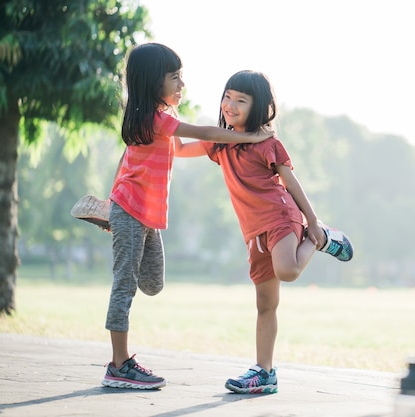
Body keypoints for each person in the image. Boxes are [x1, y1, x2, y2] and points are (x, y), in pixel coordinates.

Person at [101, 44, 272, 390]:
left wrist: (110, 202)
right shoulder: (158, 118)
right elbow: (206, 133)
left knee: (153, 283)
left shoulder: (150, 121)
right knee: (125, 286)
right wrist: (249, 135)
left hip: (142, 215)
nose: (182, 85)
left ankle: (121, 362)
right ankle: (119, 364)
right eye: (175, 78)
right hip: (131, 213)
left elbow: (167, 151)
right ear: (153, 82)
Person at [195, 70, 354, 394]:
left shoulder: (268, 143)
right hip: (254, 234)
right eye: (227, 96)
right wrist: (158, 134)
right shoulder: (220, 145)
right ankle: (264, 372)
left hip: (281, 215)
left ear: (260, 107)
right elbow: (182, 149)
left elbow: (290, 182)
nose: (231, 105)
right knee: (265, 304)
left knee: (289, 270)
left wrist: (311, 220)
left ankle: (320, 237)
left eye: (241, 100)